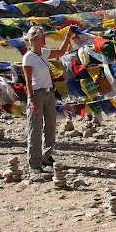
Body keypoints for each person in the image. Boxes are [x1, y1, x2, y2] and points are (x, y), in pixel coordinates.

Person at [22, 26, 74, 174]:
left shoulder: (44, 53)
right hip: (36, 94)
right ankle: (34, 163)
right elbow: (27, 80)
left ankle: (47, 155)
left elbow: (61, 52)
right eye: (41, 36)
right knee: (35, 128)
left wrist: (67, 36)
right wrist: (31, 99)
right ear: (33, 40)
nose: (44, 38)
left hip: (49, 93)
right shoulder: (28, 57)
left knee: (50, 126)